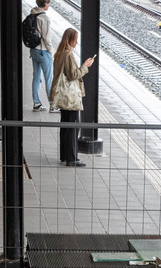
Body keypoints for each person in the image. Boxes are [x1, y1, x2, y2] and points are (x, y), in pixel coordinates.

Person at [49, 27, 93, 167]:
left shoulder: (59, 53)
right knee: (73, 127)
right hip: (70, 97)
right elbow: (73, 75)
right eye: (75, 39)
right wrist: (85, 66)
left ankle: (65, 155)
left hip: (63, 96)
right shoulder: (68, 55)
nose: (77, 42)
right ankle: (72, 158)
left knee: (65, 126)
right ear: (71, 39)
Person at [27, 0, 52, 111]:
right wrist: (51, 51)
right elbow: (46, 38)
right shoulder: (44, 18)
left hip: (34, 51)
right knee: (49, 78)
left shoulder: (32, 14)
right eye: (48, 3)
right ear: (44, 4)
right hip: (43, 52)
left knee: (36, 77)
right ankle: (53, 105)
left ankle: (36, 103)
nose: (49, 5)